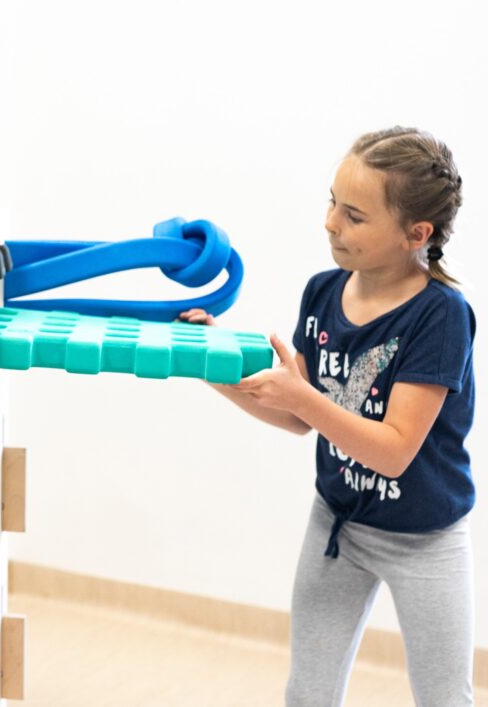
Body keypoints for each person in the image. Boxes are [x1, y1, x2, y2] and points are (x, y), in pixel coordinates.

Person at [183, 126, 475, 706]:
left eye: (354, 215)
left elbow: (393, 451)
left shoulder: (441, 315)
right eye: (333, 202)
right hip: (338, 523)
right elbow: (299, 416)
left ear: (416, 234)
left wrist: (303, 398)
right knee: (308, 693)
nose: (330, 222)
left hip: (426, 539)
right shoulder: (322, 292)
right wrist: (212, 365)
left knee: (444, 698)